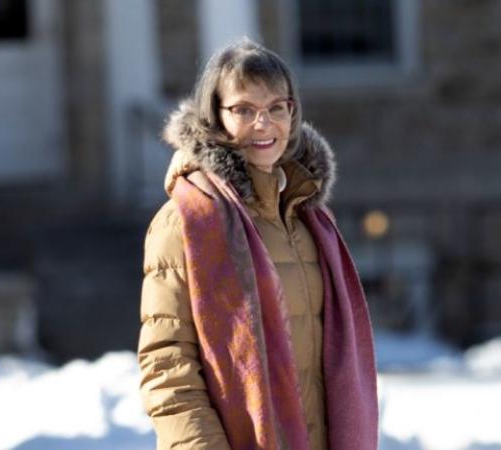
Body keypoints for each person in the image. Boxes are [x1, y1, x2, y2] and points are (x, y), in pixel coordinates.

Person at [137, 38, 378, 450]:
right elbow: (167, 365)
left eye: (275, 108)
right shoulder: (186, 221)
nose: (263, 125)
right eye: (243, 110)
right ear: (215, 117)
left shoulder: (309, 218)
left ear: (292, 113)